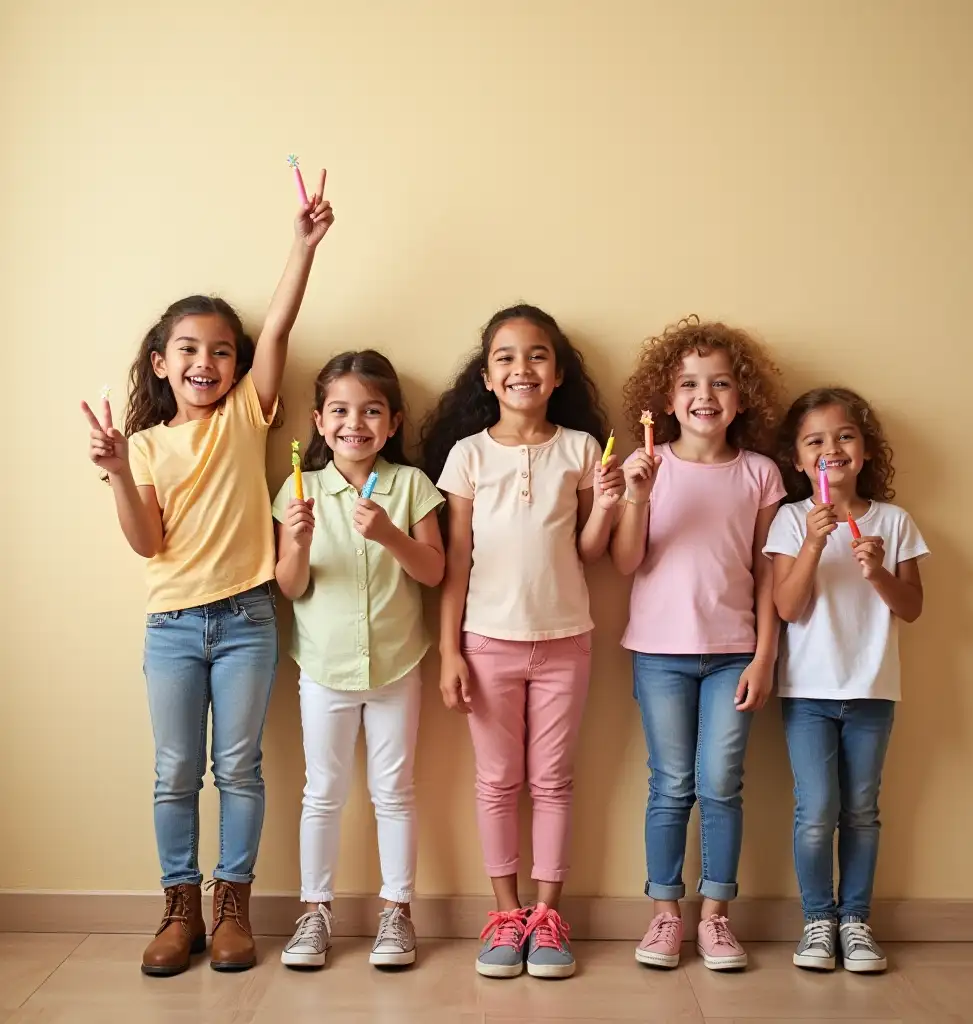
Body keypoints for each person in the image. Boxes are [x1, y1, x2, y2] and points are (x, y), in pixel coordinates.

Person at [81, 184, 334, 975]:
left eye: (222, 350)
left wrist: (303, 245)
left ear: (240, 365)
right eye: (188, 350)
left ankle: (234, 906)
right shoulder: (149, 445)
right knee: (174, 773)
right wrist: (120, 470)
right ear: (162, 363)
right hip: (174, 625)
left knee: (240, 768)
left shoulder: (245, 416)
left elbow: (282, 322)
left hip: (250, 618)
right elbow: (147, 543)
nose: (205, 362)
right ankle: (179, 908)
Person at [421, 304, 624, 978]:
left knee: (554, 781)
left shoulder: (581, 450)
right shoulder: (468, 455)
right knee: (497, 782)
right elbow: (454, 562)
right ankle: (505, 915)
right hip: (488, 644)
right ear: (486, 376)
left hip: (566, 640)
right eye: (506, 357)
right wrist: (450, 650)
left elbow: (592, 551)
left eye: (537, 355)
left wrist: (612, 502)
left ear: (558, 373)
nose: (521, 368)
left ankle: (547, 917)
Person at [611, 317, 784, 971]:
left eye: (720, 383)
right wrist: (635, 497)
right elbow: (626, 563)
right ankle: (663, 915)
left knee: (720, 783)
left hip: (736, 652)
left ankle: (716, 918)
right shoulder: (647, 466)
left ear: (742, 397)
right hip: (658, 653)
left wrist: (766, 654)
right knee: (671, 785)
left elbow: (769, 569)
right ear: (665, 397)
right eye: (689, 383)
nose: (704, 395)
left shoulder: (761, 474)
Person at [274, 351, 444, 970]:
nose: (355, 423)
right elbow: (290, 587)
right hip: (323, 668)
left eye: (371, 411)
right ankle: (314, 911)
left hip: (398, 666)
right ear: (320, 422)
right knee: (323, 793)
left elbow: (434, 571)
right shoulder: (299, 492)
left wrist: (390, 536)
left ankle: (397, 912)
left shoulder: (411, 487)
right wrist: (294, 541)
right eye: (340, 411)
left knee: (394, 792)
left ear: (393, 422)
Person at [766, 387, 927, 973]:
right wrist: (813, 542)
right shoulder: (789, 520)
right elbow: (786, 607)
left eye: (844, 437)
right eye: (815, 441)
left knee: (861, 810)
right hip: (807, 693)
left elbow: (909, 607)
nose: (831, 448)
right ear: (798, 459)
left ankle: (854, 921)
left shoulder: (894, 520)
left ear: (864, 452)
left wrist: (878, 572)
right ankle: (818, 921)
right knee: (816, 810)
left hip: (872, 691)